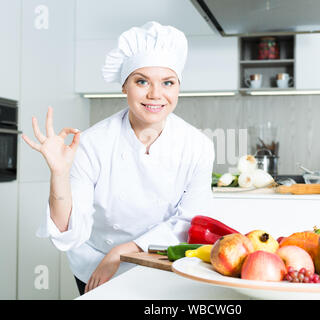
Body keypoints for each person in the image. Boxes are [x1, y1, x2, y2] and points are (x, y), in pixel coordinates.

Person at [22, 21, 215, 295]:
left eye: (167, 82)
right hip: (96, 264)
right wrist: (60, 175)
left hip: (160, 260)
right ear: (124, 86)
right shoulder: (91, 143)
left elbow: (192, 221)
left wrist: (123, 251)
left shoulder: (198, 146)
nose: (155, 94)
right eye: (142, 81)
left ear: (178, 88)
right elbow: (70, 232)